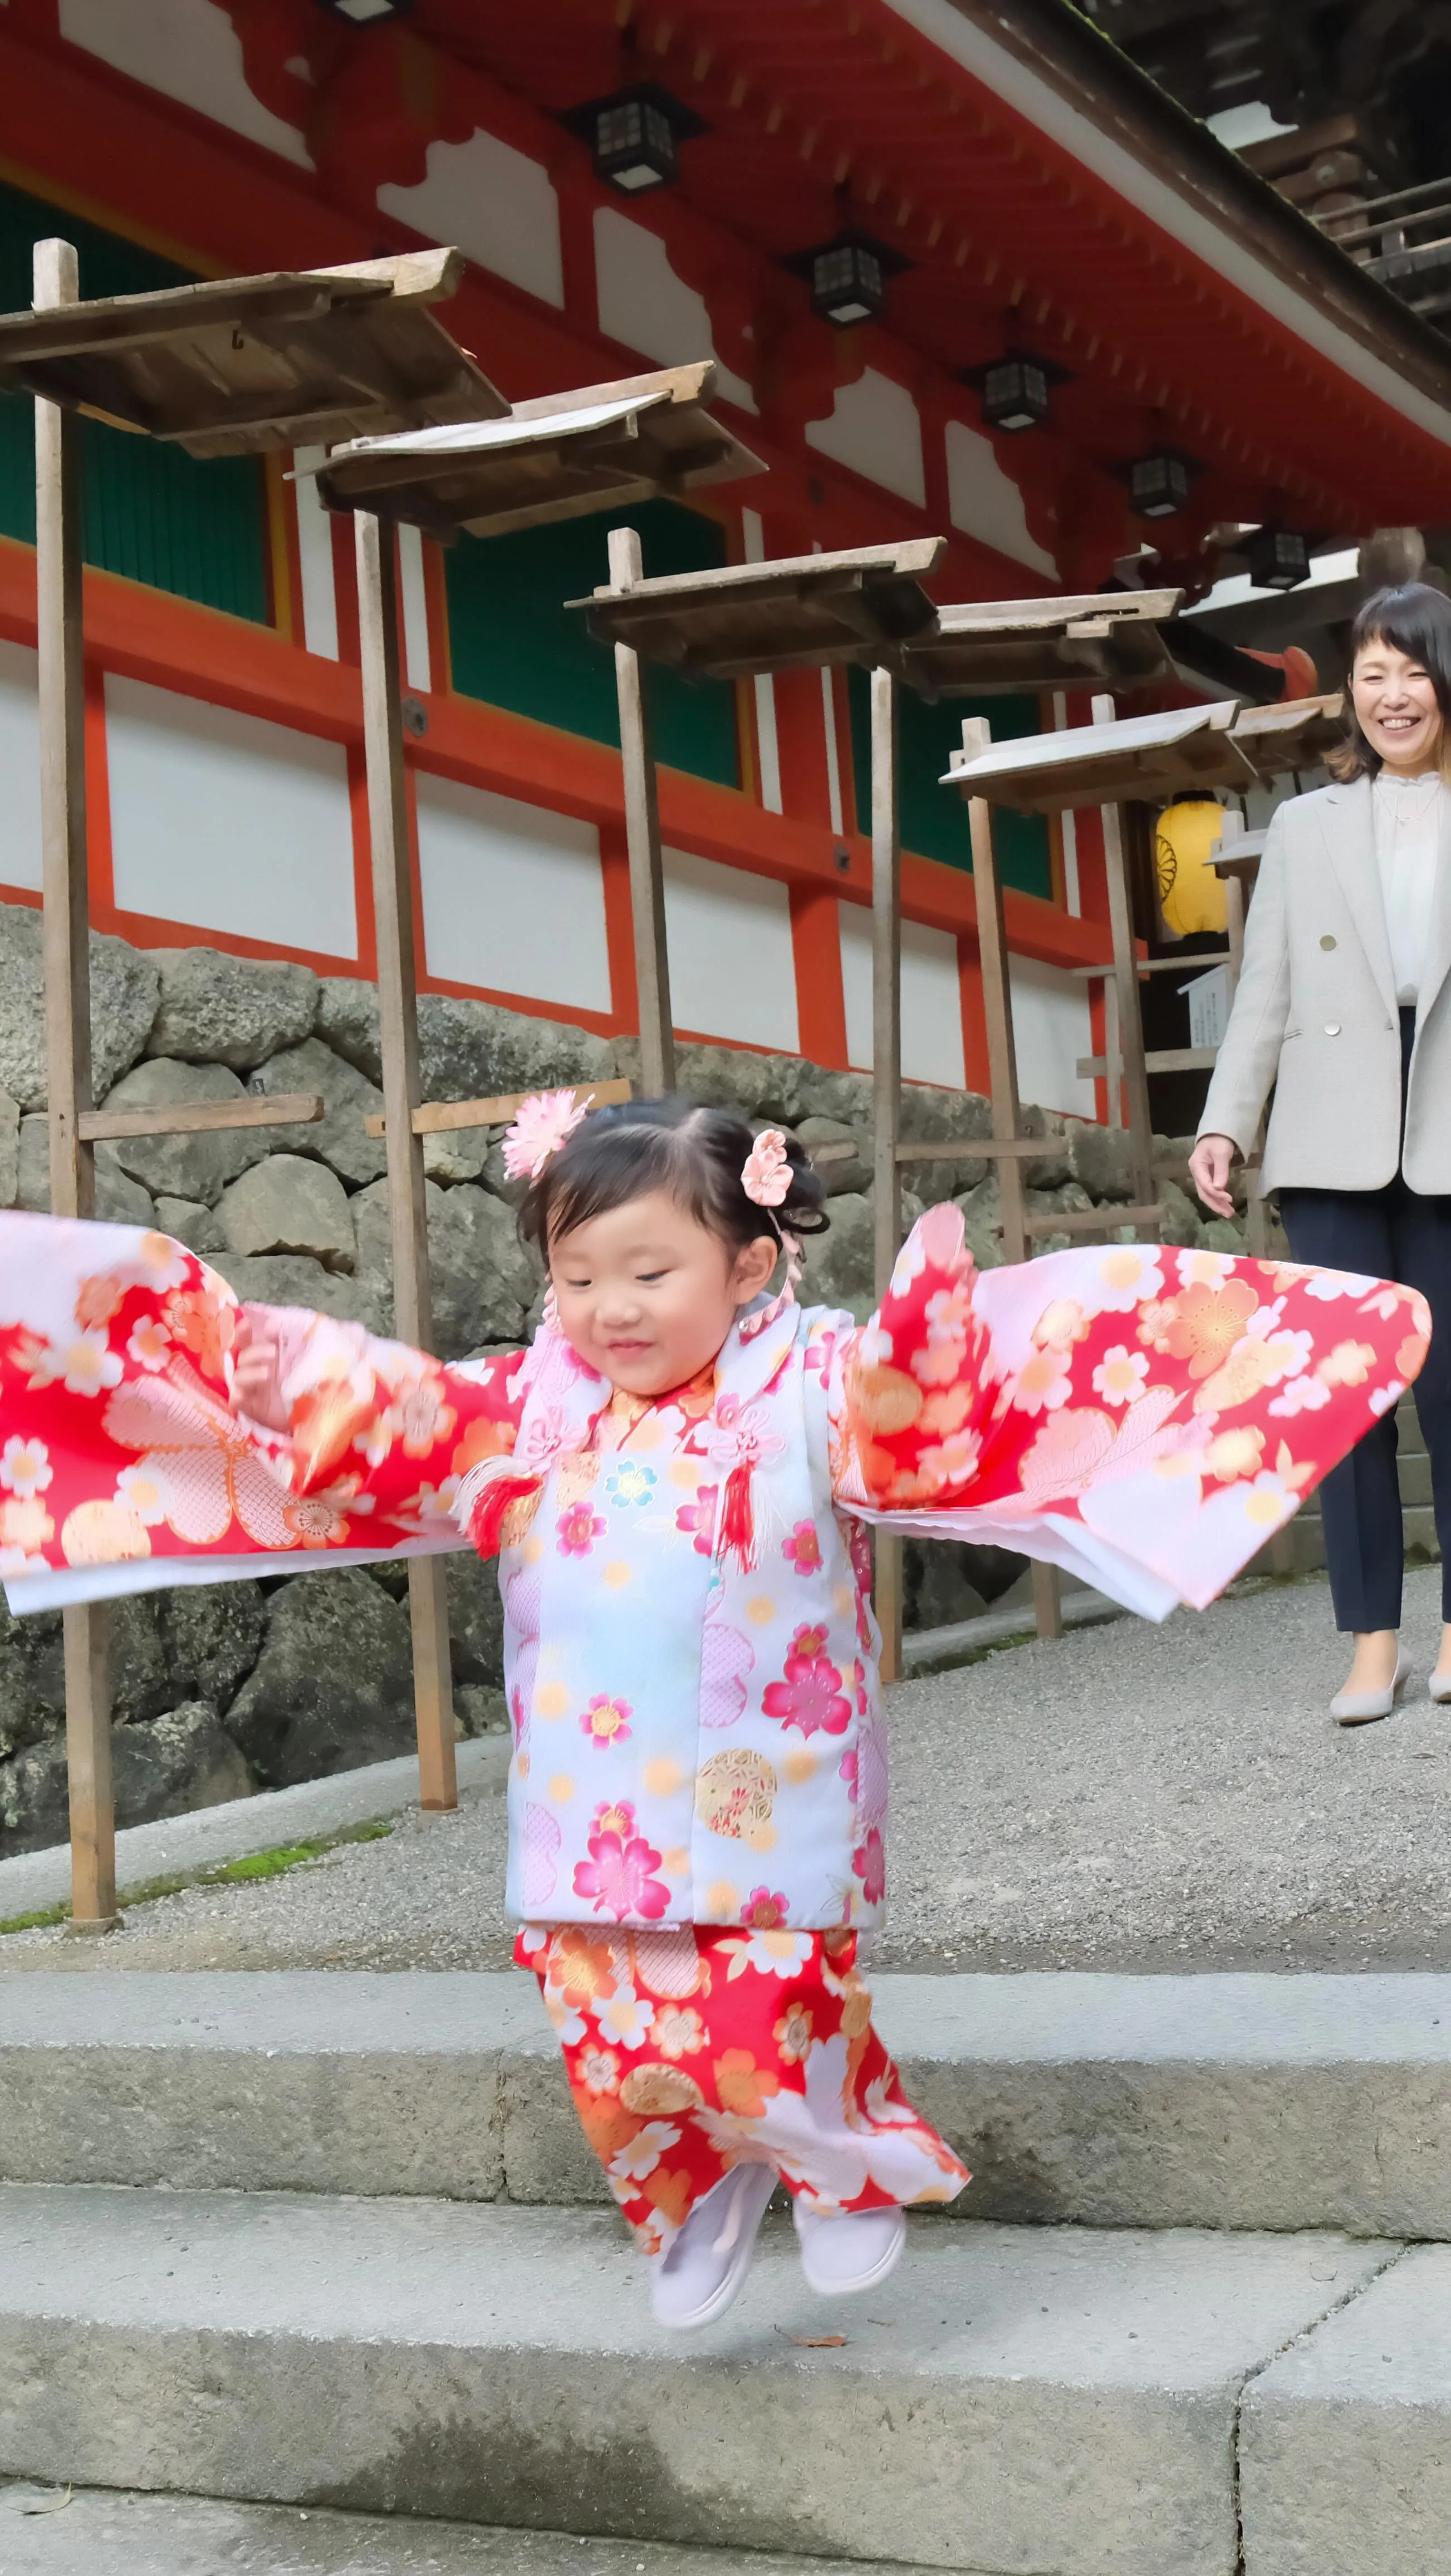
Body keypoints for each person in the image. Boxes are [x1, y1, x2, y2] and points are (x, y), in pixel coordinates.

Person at [0, 1097, 1425, 2326]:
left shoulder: (806, 1378)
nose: (609, 1309)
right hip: (591, 1792)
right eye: (576, 1276)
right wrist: (290, 1367)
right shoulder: (531, 1405)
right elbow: (402, 1412)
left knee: (766, 1994)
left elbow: (910, 1427)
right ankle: (688, 2189)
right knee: (603, 2015)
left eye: (647, 1270)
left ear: (751, 1263)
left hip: (762, 1769)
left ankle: (833, 2158)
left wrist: (924, 1350)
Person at [1190, 582, 1451, 1724]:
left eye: (1414, 669)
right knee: (1346, 1403)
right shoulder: (1304, 826)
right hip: (1331, 1130)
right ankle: (1369, 1643)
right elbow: (1265, 988)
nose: (1392, 695)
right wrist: (1224, 1120)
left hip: (1444, 1121)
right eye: (1372, 672)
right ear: (1352, 689)